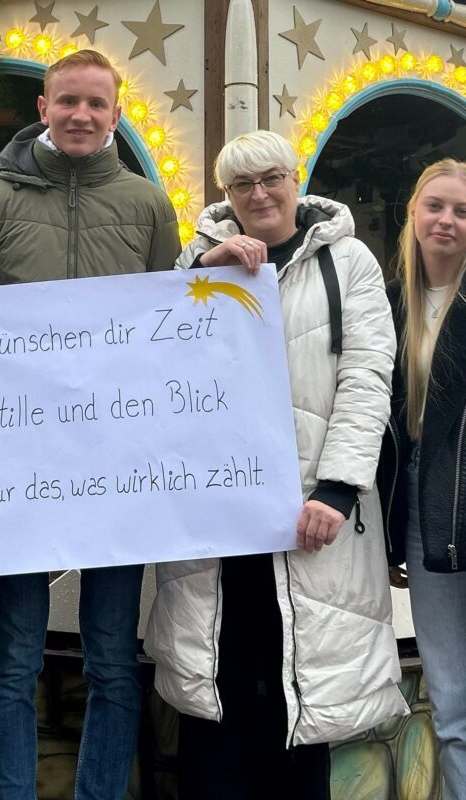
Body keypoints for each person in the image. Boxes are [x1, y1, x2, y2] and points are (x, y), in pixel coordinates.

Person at [143, 129, 408, 800]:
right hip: (220, 521)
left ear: (297, 178)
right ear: (225, 195)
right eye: (241, 184)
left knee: (300, 694)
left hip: (311, 519)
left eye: (271, 178)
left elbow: (368, 377)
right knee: (220, 691)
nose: (259, 193)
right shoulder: (195, 261)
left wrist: (340, 490)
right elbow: (155, 365)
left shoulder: (348, 262)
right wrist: (207, 275)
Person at [0, 49, 180, 799]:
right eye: (67, 102)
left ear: (116, 115)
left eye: (96, 104)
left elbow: (170, 325)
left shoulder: (148, 204)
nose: (81, 115)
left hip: (118, 464)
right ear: (44, 108)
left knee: (113, 656)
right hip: (21, 466)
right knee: (15, 653)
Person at [377, 158, 466, 800]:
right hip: (422, 514)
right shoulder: (387, 306)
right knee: (453, 695)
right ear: (414, 214)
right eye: (436, 205)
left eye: (462, 210)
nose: (448, 220)